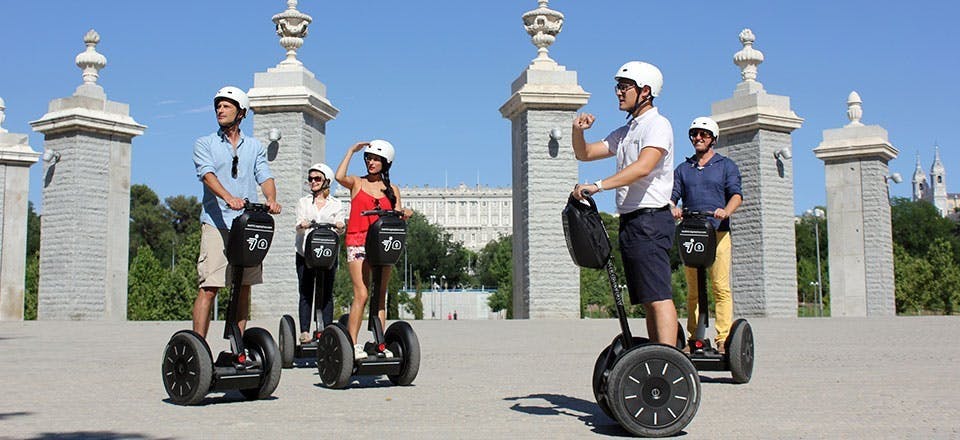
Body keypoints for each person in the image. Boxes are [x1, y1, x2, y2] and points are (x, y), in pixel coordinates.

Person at [571, 61, 679, 346]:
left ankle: (670, 359)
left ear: (645, 91)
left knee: (659, 297)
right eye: (617, 87)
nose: (618, 92)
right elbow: (585, 153)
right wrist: (578, 131)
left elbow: (644, 167)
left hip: (651, 220)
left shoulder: (657, 125)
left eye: (624, 87)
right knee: (648, 299)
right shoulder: (627, 131)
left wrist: (598, 186)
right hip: (631, 221)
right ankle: (657, 356)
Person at [192, 85, 281, 339]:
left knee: (244, 286)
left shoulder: (254, 146)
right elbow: (207, 175)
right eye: (218, 106)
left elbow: (265, 176)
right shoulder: (205, 143)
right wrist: (228, 197)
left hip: (245, 224)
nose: (220, 110)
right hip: (216, 223)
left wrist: (271, 199)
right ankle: (198, 346)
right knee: (209, 286)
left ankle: (237, 347)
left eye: (226, 106)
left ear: (241, 113)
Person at [335, 139, 412, 360]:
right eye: (369, 158)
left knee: (380, 294)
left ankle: (379, 342)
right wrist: (351, 151)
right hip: (358, 241)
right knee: (362, 293)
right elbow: (339, 177)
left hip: (381, 244)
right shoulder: (357, 183)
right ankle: (352, 344)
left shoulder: (392, 190)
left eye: (376, 159)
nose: (371, 162)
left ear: (385, 163)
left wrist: (405, 213)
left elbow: (397, 214)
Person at [671, 116, 742, 352]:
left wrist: (726, 211)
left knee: (720, 287)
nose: (698, 138)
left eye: (703, 134)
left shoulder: (726, 166)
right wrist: (673, 208)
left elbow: (736, 195)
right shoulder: (683, 169)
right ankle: (694, 338)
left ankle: (723, 338)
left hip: (718, 233)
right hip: (692, 234)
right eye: (694, 134)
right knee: (694, 290)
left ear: (713, 138)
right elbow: (672, 196)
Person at [294, 163, 346, 344]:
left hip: (327, 254)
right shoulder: (303, 202)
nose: (313, 182)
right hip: (305, 254)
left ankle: (326, 331)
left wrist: (340, 225)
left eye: (317, 178)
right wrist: (302, 224)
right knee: (306, 292)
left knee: (326, 293)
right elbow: (298, 224)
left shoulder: (336, 204)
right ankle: (305, 331)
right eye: (310, 179)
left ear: (326, 181)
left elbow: (340, 225)